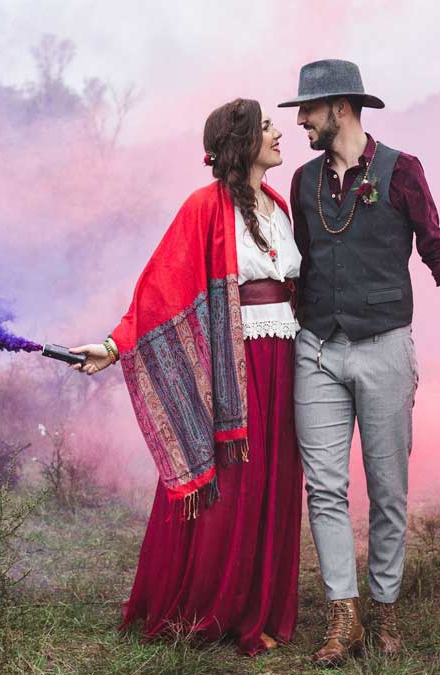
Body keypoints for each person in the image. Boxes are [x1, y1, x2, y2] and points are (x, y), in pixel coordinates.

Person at [279, 59, 440, 666]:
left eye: (308, 109)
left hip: (385, 346)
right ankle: (344, 616)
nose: (301, 120)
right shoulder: (302, 183)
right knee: (325, 490)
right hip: (316, 350)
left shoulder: (402, 171)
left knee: (388, 491)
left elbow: (439, 253)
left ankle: (384, 610)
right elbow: (300, 267)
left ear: (340, 108)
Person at [68, 98, 303, 656]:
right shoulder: (204, 206)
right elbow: (160, 289)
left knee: (273, 482)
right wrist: (113, 345)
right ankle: (204, 608)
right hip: (233, 368)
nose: (278, 134)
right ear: (242, 141)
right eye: (267, 127)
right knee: (233, 487)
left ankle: (258, 607)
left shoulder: (278, 205)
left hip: (284, 360)